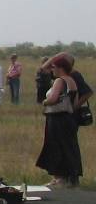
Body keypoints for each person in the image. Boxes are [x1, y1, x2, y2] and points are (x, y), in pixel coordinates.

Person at [36, 54, 83, 188]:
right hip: (68, 118)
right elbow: (75, 101)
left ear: (61, 68)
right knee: (68, 147)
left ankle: (59, 178)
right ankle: (70, 178)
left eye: (54, 67)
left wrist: (45, 102)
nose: (52, 70)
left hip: (56, 118)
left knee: (55, 146)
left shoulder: (59, 81)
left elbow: (53, 98)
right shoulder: (71, 81)